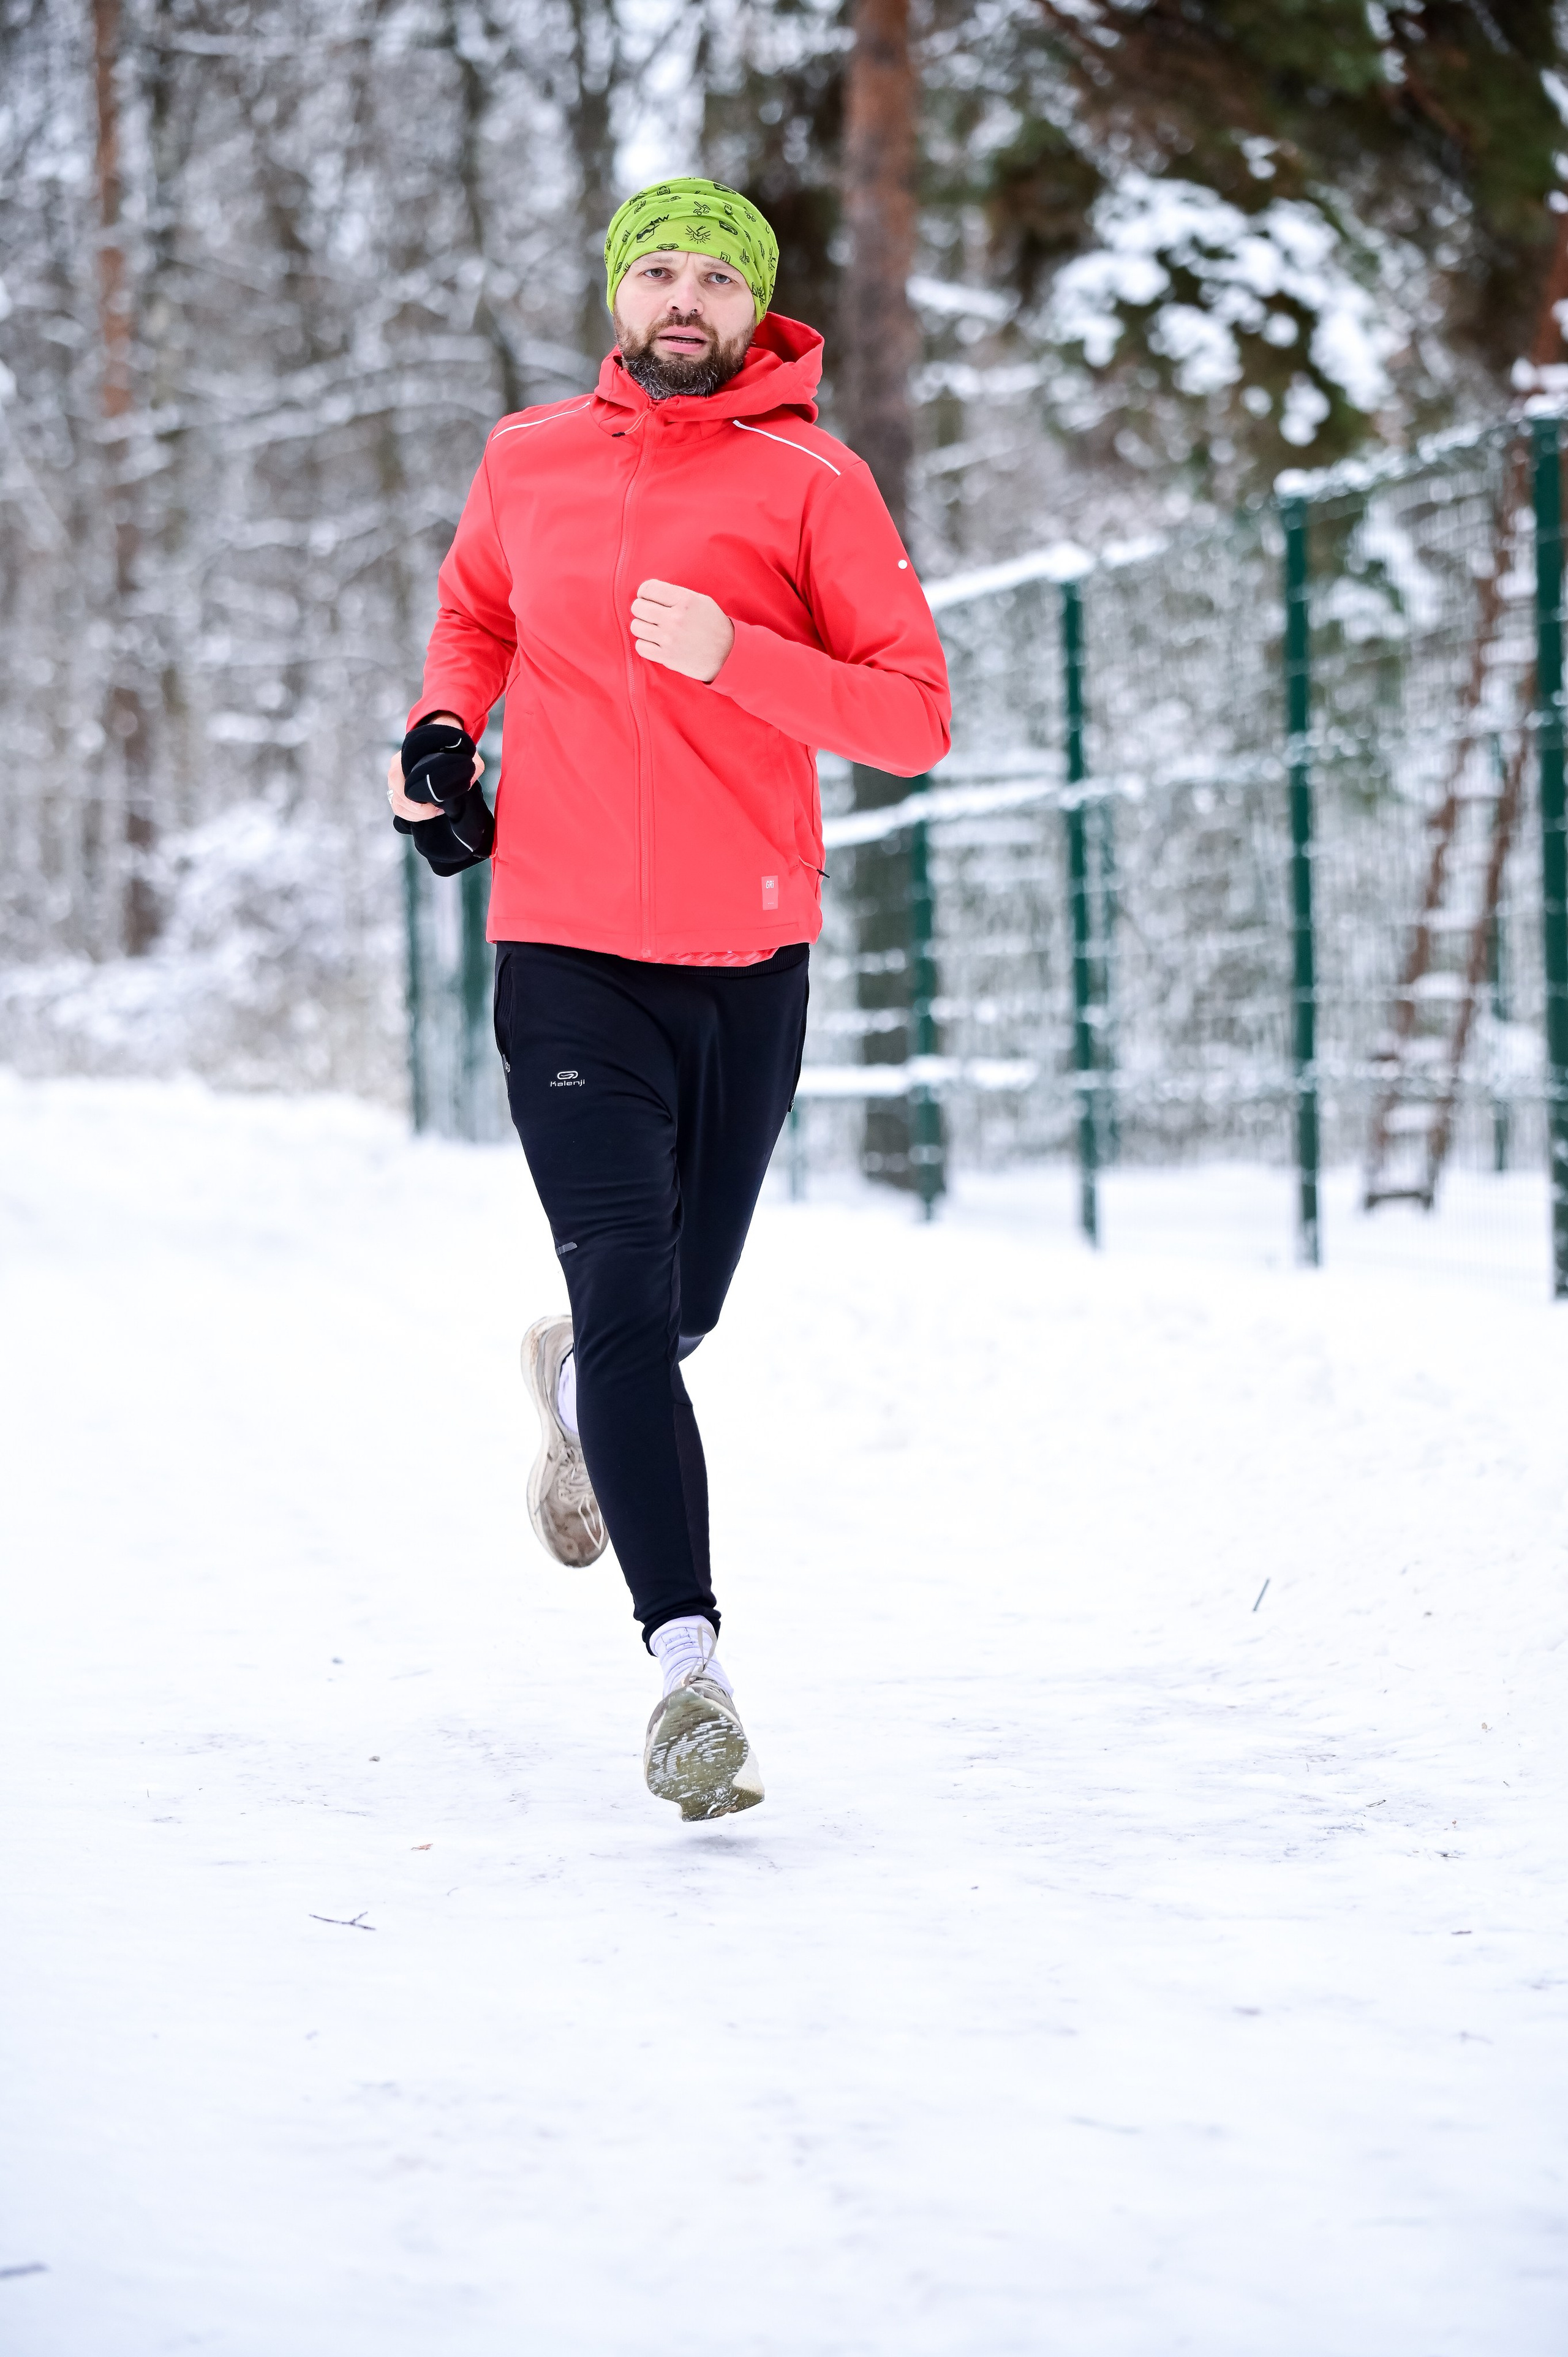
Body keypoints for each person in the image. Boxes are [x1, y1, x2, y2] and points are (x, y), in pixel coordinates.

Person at [387, 177, 951, 1820]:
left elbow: (913, 720)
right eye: (660, 273)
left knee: (678, 1312)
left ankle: (574, 1386)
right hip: (560, 948)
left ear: (754, 306)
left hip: (745, 959)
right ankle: (689, 1674)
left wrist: (735, 657)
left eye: (717, 275)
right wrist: (444, 739)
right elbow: (476, 614)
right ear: (620, 298)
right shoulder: (526, 458)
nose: (684, 300)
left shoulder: (812, 481)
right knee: (638, 1302)